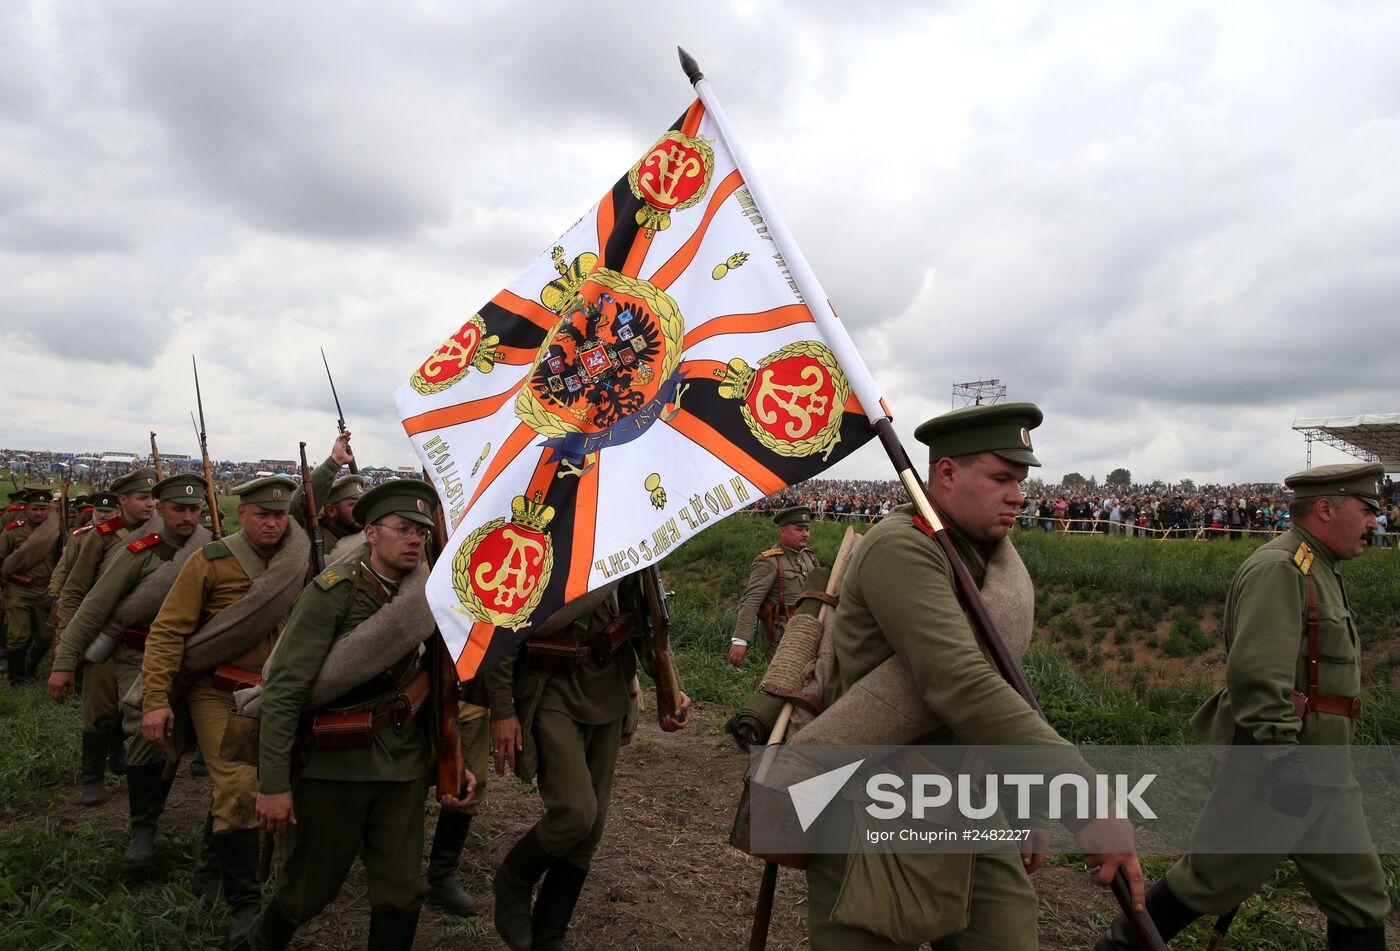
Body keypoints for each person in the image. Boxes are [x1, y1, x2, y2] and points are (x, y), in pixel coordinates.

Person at [804, 402, 1143, 950]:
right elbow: (960, 682)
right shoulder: (902, 547)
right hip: (875, 810)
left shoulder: (989, 556)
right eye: (1001, 478)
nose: (1018, 494)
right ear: (946, 473)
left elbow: (1003, 684)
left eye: (1021, 480)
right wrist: (1083, 799)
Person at [1095, 463, 1390, 951]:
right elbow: (1257, 672)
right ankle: (1120, 947)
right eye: (1366, 511)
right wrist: (1281, 754)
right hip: (1279, 767)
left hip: (1327, 770)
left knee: (1360, 895)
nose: (1375, 523)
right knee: (1208, 881)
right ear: (1324, 509)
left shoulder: (1318, 568)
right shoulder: (1281, 569)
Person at [249, 479, 476, 951]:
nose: (415, 539)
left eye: (421, 530)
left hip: (402, 767)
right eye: (403, 529)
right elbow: (285, 692)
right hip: (336, 767)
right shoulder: (333, 592)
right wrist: (272, 785)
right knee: (308, 890)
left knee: (401, 891)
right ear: (371, 534)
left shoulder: (430, 598)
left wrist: (451, 759)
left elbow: (439, 688)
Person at [138, 475, 306, 946]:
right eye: (262, 515)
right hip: (216, 692)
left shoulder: (299, 561)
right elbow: (168, 632)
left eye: (279, 515)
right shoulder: (209, 561)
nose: (272, 523)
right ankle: (245, 905)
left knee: (268, 785)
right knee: (239, 783)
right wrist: (154, 701)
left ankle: (211, 865)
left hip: (273, 693)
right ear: (241, 516)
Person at [489, 567, 691, 951]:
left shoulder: (629, 545)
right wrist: (501, 708)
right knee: (575, 813)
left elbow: (646, 623)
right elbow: (502, 623)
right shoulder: (545, 537)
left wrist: (671, 686)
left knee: (592, 828)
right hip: (551, 690)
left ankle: (550, 931)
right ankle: (514, 878)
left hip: (609, 687)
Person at [48, 473, 210, 871]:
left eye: (195, 509)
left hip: (189, 656)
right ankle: (143, 829)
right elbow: (93, 608)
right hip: (135, 654)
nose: (187, 517)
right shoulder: (140, 552)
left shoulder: (210, 550)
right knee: (141, 731)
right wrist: (64, 662)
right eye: (178, 509)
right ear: (161, 508)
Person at [53, 475, 156, 804]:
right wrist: (67, 639)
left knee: (137, 708)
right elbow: (74, 590)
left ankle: (123, 757)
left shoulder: (163, 534)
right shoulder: (102, 537)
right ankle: (92, 778)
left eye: (154, 498)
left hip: (143, 637)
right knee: (98, 709)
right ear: (122, 500)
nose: (150, 504)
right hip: (101, 635)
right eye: (142, 498)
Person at [729, 505, 821, 666]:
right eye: (799, 529)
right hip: (782, 635)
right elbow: (751, 600)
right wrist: (741, 640)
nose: (805, 534)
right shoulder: (769, 561)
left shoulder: (809, 557)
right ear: (782, 531)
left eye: (807, 529)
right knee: (783, 681)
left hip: (809, 631)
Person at [0, 488, 62, 688]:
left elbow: (61, 560)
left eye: (44, 509)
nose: (40, 513)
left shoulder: (55, 530)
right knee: (18, 635)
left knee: (45, 637)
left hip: (44, 590)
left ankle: (30, 667)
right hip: (18, 589)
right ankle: (16, 681)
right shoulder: (13, 530)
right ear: (26, 509)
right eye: (35, 509)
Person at [317, 473, 365, 548]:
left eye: (362, 504)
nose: (361, 510)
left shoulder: (368, 533)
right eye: (354, 505)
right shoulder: (317, 539)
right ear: (331, 510)